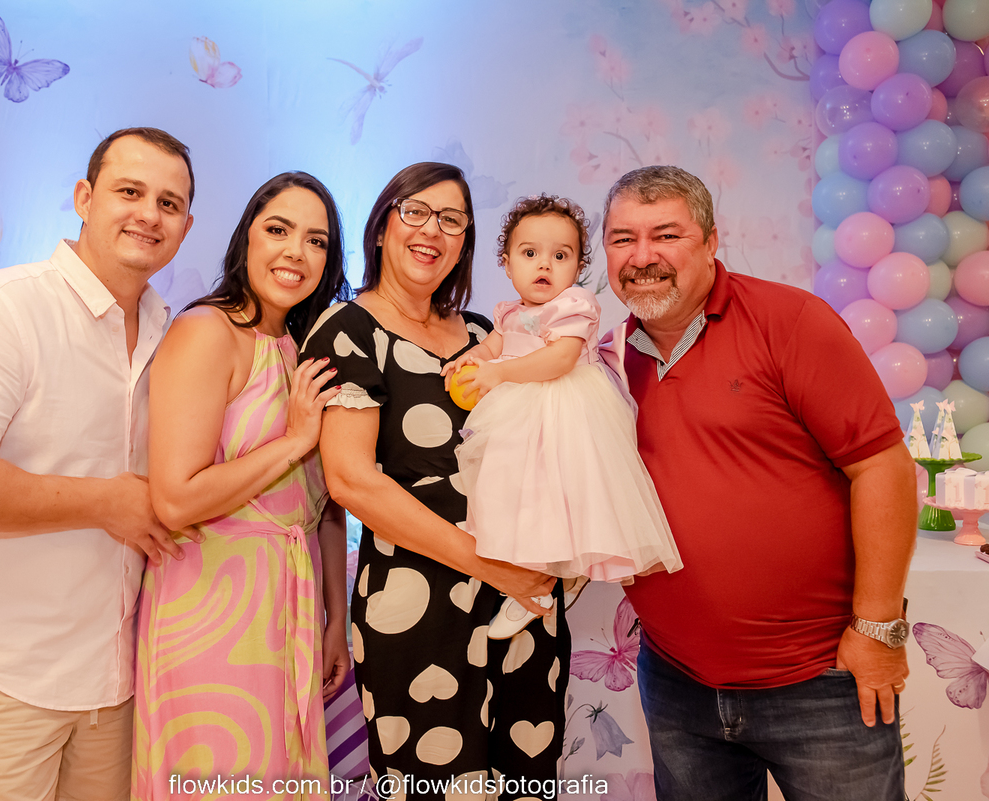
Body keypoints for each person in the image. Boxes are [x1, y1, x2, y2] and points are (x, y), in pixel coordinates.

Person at [600, 165, 915, 801]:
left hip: (821, 682)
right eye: (622, 238)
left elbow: (881, 466)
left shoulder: (790, 320)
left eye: (666, 235)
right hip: (677, 683)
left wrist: (878, 628)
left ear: (712, 241)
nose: (642, 256)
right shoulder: (605, 359)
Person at [0, 127, 195, 801]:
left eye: (169, 203)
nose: (149, 214)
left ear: (186, 225)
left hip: (118, 678)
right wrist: (105, 501)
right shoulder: (3, 307)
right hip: (6, 673)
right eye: (129, 191)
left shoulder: (170, 331)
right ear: (84, 198)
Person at [303, 163, 569, 800]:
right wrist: (491, 566)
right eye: (414, 211)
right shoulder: (348, 332)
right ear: (381, 227)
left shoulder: (486, 335)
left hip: (524, 603)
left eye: (451, 220)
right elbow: (351, 482)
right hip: (418, 606)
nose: (432, 231)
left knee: (528, 780)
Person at [132, 172, 352, 800]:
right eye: (278, 229)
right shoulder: (207, 331)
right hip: (209, 608)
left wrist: (335, 619)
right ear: (246, 238)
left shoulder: (306, 347)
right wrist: (294, 440)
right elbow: (174, 499)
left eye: (316, 240)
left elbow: (324, 506)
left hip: (292, 604)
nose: (295, 252)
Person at [441, 194, 681, 640]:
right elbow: (492, 345)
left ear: (578, 268)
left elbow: (560, 359)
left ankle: (554, 580)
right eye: (530, 253)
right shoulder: (509, 312)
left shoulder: (574, 305)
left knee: (562, 493)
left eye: (560, 256)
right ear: (507, 264)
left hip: (566, 407)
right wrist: (471, 360)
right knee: (515, 490)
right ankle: (535, 579)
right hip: (518, 412)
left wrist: (498, 373)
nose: (544, 265)